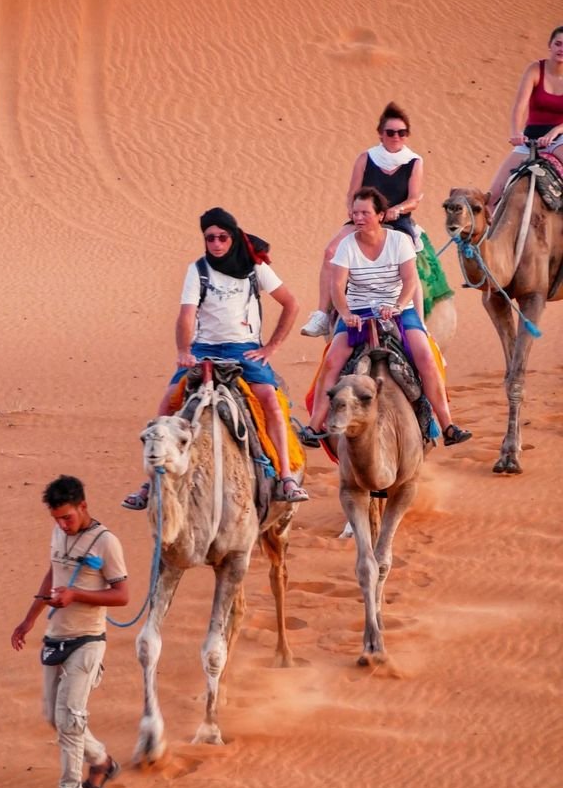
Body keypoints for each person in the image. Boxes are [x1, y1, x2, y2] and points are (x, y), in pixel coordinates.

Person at [122, 206, 309, 508]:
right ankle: (150, 483)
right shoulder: (198, 270)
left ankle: (286, 476)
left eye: (223, 237)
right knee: (167, 406)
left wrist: (270, 347)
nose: (217, 244)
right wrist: (184, 351)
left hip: (244, 349)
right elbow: (187, 314)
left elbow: (291, 304)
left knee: (271, 403)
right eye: (210, 239)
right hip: (203, 350)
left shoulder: (255, 267)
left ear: (233, 237)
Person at [301, 187, 471, 448]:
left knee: (426, 357)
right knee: (332, 361)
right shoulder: (346, 246)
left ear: (380, 215)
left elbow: (410, 280)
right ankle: (314, 426)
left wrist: (398, 306)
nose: (359, 218)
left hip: (398, 311)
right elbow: (337, 287)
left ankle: (447, 425)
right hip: (358, 313)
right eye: (355, 213)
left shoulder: (398, 241)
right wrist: (346, 314)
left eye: (365, 213)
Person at [11, 475, 129, 788]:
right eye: (57, 519)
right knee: (53, 717)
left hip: (88, 640)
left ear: (83, 506)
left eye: (67, 517)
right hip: (55, 636)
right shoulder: (58, 533)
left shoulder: (106, 543)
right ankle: (103, 762)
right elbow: (54, 572)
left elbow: (122, 595)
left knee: (71, 717)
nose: (62, 524)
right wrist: (29, 619)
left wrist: (76, 596)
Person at [301, 102, 425, 339]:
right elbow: (352, 193)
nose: (395, 137)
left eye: (401, 132)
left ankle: (418, 321)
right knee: (331, 252)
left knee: (409, 262)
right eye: (390, 132)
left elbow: (414, 199)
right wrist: (353, 211)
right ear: (381, 134)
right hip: (364, 216)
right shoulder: (367, 158)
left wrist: (396, 210)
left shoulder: (414, 162)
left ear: (406, 135)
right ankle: (322, 314)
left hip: (396, 220)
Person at [487, 25, 563, 211]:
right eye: (558, 44)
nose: (561, 49)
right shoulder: (536, 69)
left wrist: (555, 131)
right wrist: (515, 132)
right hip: (530, 139)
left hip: (560, 137)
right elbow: (519, 106)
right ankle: (483, 240)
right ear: (550, 45)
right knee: (492, 196)